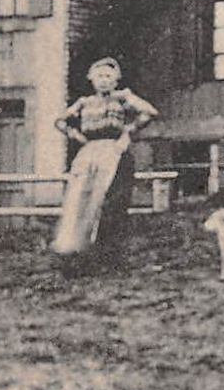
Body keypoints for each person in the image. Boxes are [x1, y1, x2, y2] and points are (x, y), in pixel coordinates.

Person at [52, 57, 158, 257]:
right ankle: (78, 247)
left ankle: (107, 251)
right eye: (99, 76)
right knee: (81, 197)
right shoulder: (84, 102)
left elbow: (149, 112)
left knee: (109, 202)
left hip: (113, 151)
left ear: (116, 80)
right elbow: (59, 121)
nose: (104, 80)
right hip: (89, 153)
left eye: (109, 76)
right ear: (91, 79)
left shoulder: (121, 98)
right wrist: (76, 136)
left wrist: (128, 131)